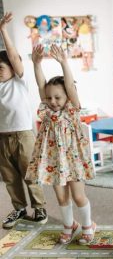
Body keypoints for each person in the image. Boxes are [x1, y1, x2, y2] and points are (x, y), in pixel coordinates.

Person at [25, 44, 96, 245]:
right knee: (61, 197)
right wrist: (36, 64)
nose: (53, 101)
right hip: (53, 161)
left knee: (78, 195)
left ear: (67, 96)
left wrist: (64, 62)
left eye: (58, 97)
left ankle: (88, 225)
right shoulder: (47, 110)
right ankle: (68, 225)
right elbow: (41, 86)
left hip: (73, 160)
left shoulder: (71, 110)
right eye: (50, 98)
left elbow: (71, 87)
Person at [0, 12, 47, 229]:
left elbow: (14, 56)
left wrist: (3, 31)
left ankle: (39, 208)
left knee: (30, 174)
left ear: (12, 67)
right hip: (3, 137)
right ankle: (19, 208)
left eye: (1, 68)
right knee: (10, 177)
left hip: (23, 135)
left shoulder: (20, 81)